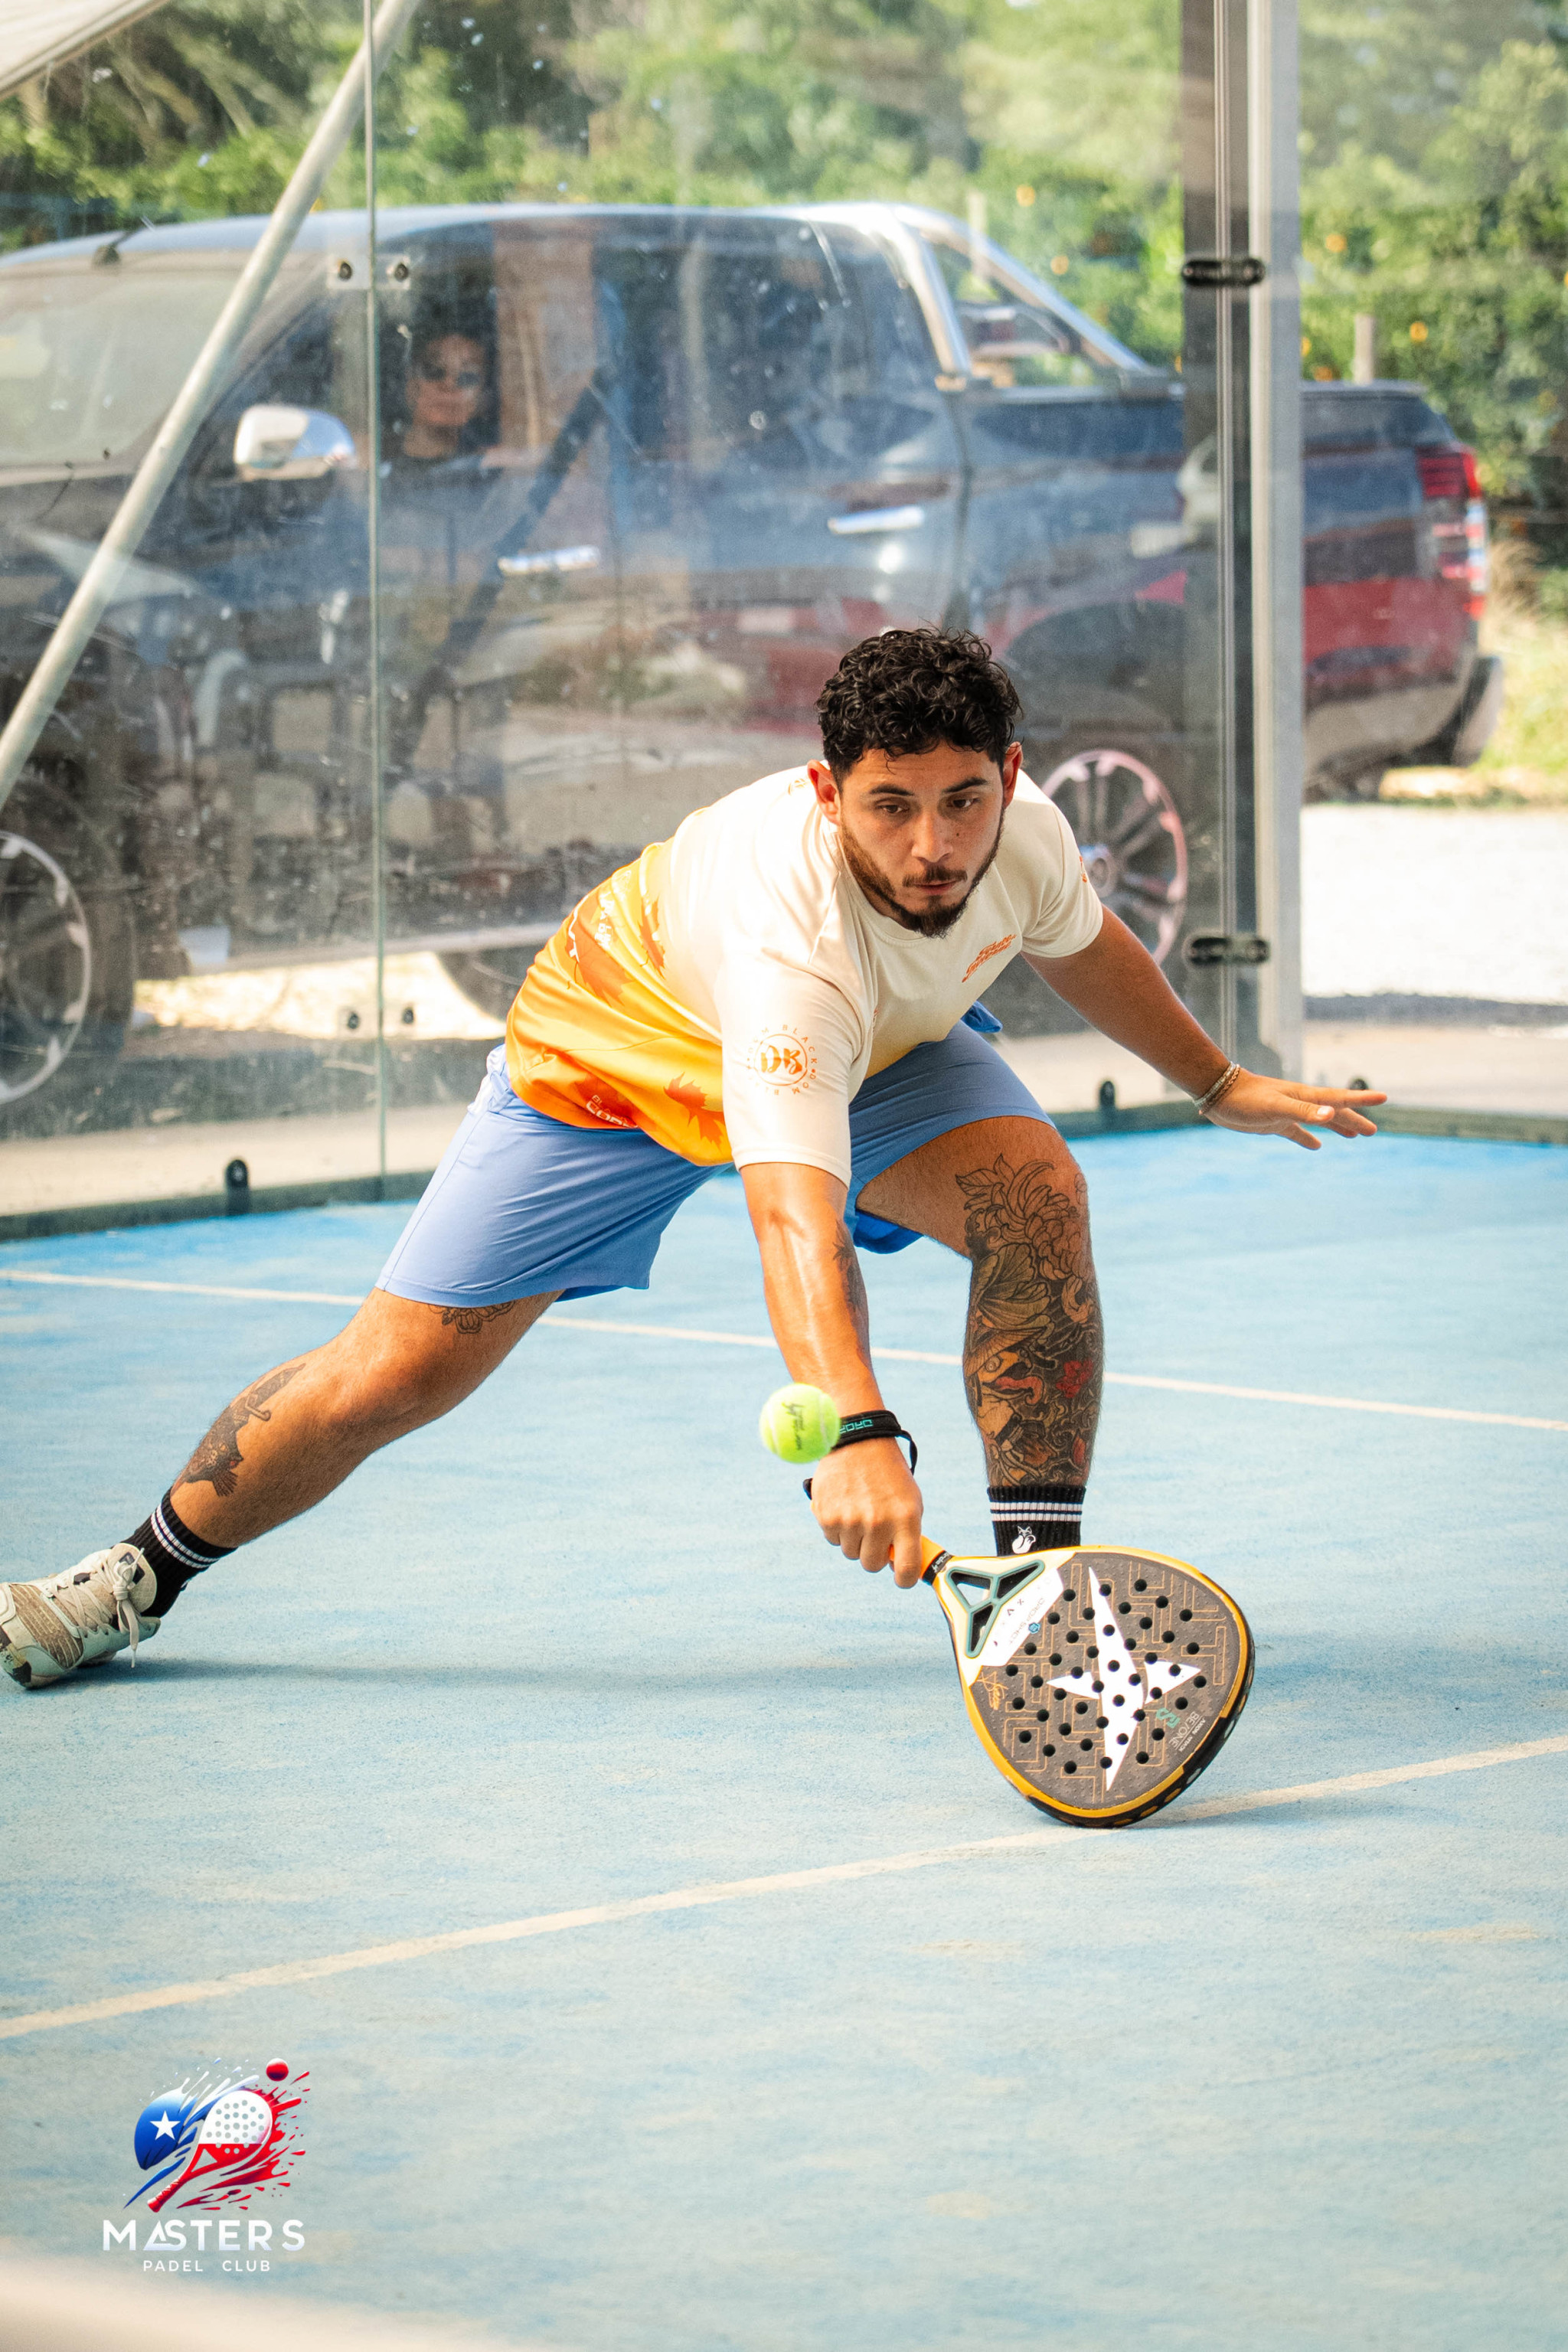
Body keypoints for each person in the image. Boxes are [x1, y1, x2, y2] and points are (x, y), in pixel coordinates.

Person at [0, 631, 1383, 1689]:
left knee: (1039, 1193)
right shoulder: (793, 950)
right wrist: (857, 1427)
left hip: (875, 1047)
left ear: (1010, 778)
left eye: (964, 801)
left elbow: (1083, 942)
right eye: (891, 807)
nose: (934, 846)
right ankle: (138, 1573)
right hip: (616, 1053)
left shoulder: (1017, 836)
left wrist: (1217, 1080)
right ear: (828, 790)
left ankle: (1035, 1608)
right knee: (393, 1373)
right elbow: (793, 1220)